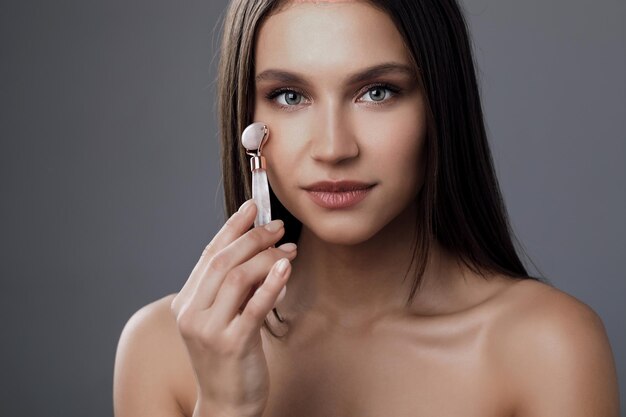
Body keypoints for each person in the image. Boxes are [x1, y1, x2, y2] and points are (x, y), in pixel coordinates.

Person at [113, 1, 620, 416]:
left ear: (440, 106)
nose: (333, 148)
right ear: (248, 119)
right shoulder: (162, 351)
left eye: (377, 92)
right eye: (289, 96)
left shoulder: (548, 347)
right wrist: (224, 406)